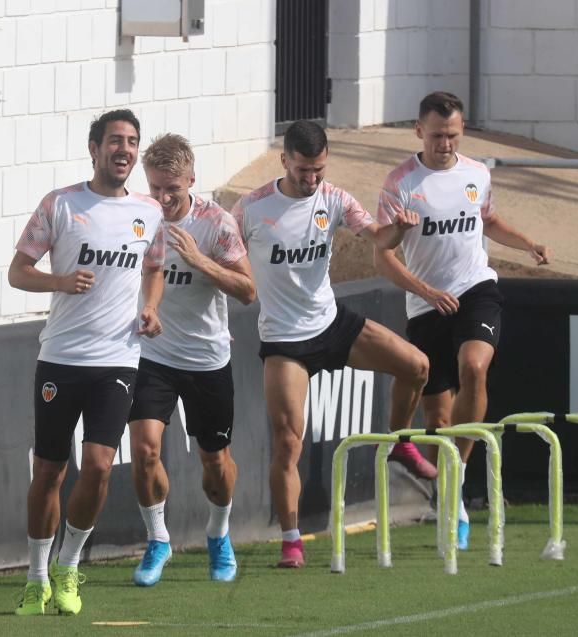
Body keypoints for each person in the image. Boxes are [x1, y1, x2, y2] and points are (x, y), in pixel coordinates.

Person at [231, 120, 429, 568]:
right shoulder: (252, 208)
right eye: (303, 169)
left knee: (417, 366)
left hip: (332, 324)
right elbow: (225, 256)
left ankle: (398, 441)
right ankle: (292, 540)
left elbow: (379, 237)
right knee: (288, 442)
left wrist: (397, 229)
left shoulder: (334, 199)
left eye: (319, 169)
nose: (312, 179)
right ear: (284, 160)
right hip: (285, 341)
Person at [374, 91, 551, 550]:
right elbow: (383, 255)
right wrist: (424, 290)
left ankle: (460, 470)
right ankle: (447, 498)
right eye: (436, 136)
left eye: (453, 135)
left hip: (476, 289)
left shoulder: (477, 173)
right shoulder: (400, 184)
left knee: (475, 366)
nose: (445, 144)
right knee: (437, 414)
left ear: (462, 130)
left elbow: (487, 220)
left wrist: (527, 242)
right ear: (418, 131)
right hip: (427, 304)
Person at [8, 108, 165, 615]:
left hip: (118, 359)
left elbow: (155, 266)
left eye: (132, 142)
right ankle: (36, 577)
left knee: (98, 466)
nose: (124, 149)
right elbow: (18, 272)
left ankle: (69, 567)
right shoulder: (60, 204)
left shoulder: (149, 212)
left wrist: (151, 307)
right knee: (50, 471)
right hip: (60, 359)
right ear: (94, 148)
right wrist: (59, 281)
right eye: (115, 140)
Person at [127, 133, 257, 585]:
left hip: (206, 358)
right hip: (152, 354)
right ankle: (158, 539)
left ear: (191, 181)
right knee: (144, 450)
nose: (162, 198)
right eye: (155, 187)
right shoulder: (138, 217)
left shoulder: (216, 223)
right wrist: (146, 310)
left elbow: (247, 290)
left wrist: (201, 261)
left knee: (215, 463)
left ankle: (218, 535)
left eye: (172, 190)